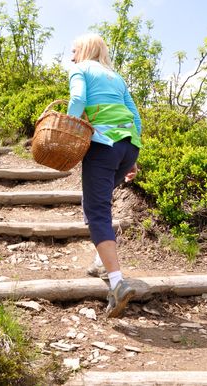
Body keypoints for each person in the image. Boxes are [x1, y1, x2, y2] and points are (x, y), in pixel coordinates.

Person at [67, 33, 142, 318]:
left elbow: (77, 99)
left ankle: (117, 283)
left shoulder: (81, 69)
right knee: (103, 201)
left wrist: (71, 128)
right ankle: (101, 260)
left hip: (103, 146)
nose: (71, 57)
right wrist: (132, 158)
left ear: (84, 50)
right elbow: (135, 117)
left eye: (74, 51)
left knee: (95, 210)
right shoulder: (115, 76)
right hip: (128, 146)